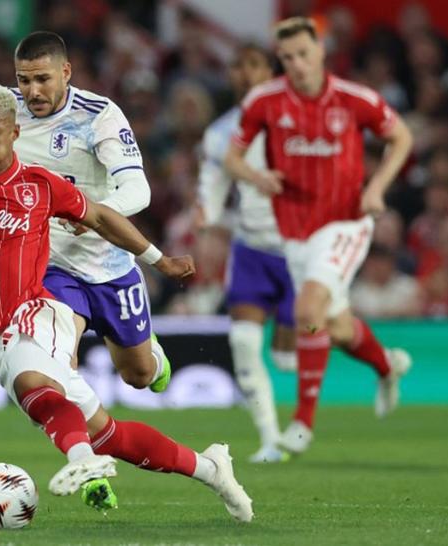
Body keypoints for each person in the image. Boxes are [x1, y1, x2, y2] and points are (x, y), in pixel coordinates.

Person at [0, 83, 253, 522]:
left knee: (31, 383)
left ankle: (80, 462)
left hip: (36, 311)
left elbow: (101, 217)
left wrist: (158, 261)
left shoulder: (39, 186)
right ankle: (211, 468)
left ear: (15, 131)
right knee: (108, 435)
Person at [225, 17, 414, 455]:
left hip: (345, 223)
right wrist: (257, 175)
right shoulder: (264, 101)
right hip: (294, 232)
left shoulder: (353, 98)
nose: (297, 64)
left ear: (321, 51)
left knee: (307, 307)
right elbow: (233, 159)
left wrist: (376, 187)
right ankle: (386, 368)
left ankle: (302, 424)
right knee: (332, 324)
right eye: (288, 57)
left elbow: (401, 136)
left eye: (304, 54)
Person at [9, 31, 171, 394]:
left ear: (66, 72)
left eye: (42, 79)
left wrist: (92, 213)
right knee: (58, 361)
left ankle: (153, 354)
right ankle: (82, 449)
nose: (32, 91)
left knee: (139, 375)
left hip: (106, 261)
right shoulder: (6, 113)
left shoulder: (99, 116)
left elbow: (137, 190)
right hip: (48, 264)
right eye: (23, 80)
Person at [197, 44, 296, 464]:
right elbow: (214, 183)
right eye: (237, 65)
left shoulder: (295, 119)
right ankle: (271, 440)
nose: (244, 73)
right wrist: (206, 216)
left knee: (286, 359)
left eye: (252, 64)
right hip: (251, 246)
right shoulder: (220, 132)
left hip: (298, 249)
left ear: (269, 72)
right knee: (242, 341)